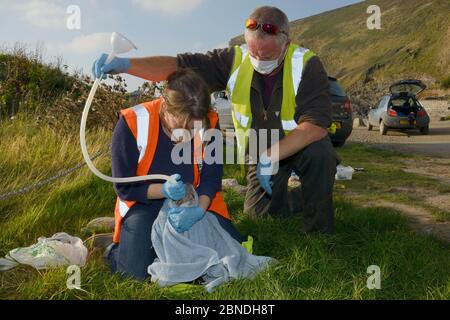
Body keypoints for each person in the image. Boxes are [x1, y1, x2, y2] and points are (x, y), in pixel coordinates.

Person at [93, 6, 340, 234]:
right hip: (259, 148)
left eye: (267, 56)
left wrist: (271, 156)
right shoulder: (232, 60)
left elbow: (315, 126)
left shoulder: (307, 64)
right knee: (259, 216)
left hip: (298, 146)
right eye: (254, 53)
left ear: (287, 43)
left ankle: (318, 229)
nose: (259, 61)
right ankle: (295, 198)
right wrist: (126, 65)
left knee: (321, 153)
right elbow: (178, 66)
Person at [107, 69, 244, 279]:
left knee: (232, 252)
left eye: (192, 129)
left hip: (194, 199)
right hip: (143, 203)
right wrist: (163, 190)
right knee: (135, 274)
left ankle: (163, 250)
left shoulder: (209, 122)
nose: (186, 136)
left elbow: (211, 177)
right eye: (179, 128)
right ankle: (114, 251)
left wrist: (198, 210)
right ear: (165, 106)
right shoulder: (132, 123)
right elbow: (124, 187)